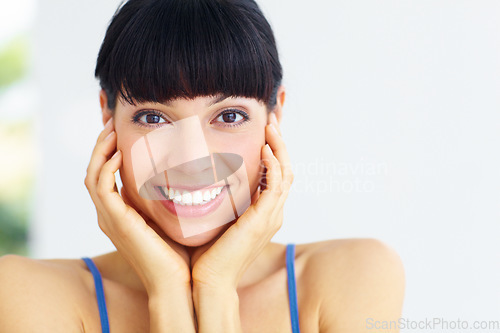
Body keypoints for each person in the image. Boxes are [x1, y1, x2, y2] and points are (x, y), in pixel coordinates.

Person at [0, 0, 405, 331]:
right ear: (108, 117)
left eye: (229, 116)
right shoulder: (27, 293)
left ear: (274, 115)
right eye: (153, 118)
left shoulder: (352, 276)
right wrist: (168, 289)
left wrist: (215, 287)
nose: (192, 159)